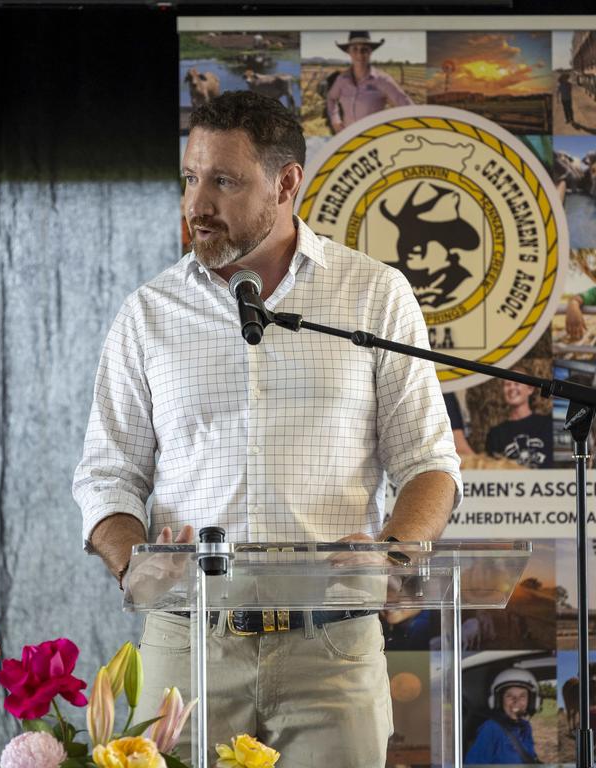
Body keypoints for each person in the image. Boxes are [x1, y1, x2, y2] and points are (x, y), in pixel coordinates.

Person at [73, 90, 461, 766]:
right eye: (192, 178)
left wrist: (393, 554)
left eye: (224, 180)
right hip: (187, 643)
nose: (198, 203)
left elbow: (429, 461)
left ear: (286, 183)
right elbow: (107, 475)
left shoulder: (372, 295)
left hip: (331, 649)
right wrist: (136, 559)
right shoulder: (149, 313)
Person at [326, 31, 412, 133]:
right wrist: (335, 120)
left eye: (364, 49)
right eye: (355, 49)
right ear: (349, 52)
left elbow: (408, 107)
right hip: (347, 137)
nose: (359, 54)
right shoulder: (342, 79)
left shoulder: (383, 80)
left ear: (370, 52)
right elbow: (331, 98)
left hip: (371, 141)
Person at [464, 668, 541, 764]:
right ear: (498, 701)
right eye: (509, 696)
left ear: (532, 701)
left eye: (522, 696)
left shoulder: (525, 726)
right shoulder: (491, 728)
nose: (516, 701)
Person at [485, 367, 553, 469]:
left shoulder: (547, 424)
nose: (512, 388)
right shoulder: (496, 434)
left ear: (530, 389)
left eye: (517, 383)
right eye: (507, 384)